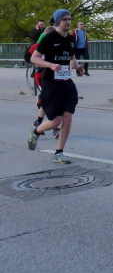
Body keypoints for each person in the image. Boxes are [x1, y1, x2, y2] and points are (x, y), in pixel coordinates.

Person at [27, 9, 85, 164]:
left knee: (68, 118)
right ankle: (36, 131)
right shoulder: (49, 37)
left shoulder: (71, 39)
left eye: (69, 19)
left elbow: (71, 59)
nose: (68, 22)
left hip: (66, 83)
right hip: (51, 83)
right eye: (65, 19)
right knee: (56, 121)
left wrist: (78, 67)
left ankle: (59, 152)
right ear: (58, 21)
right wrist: (50, 65)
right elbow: (34, 58)